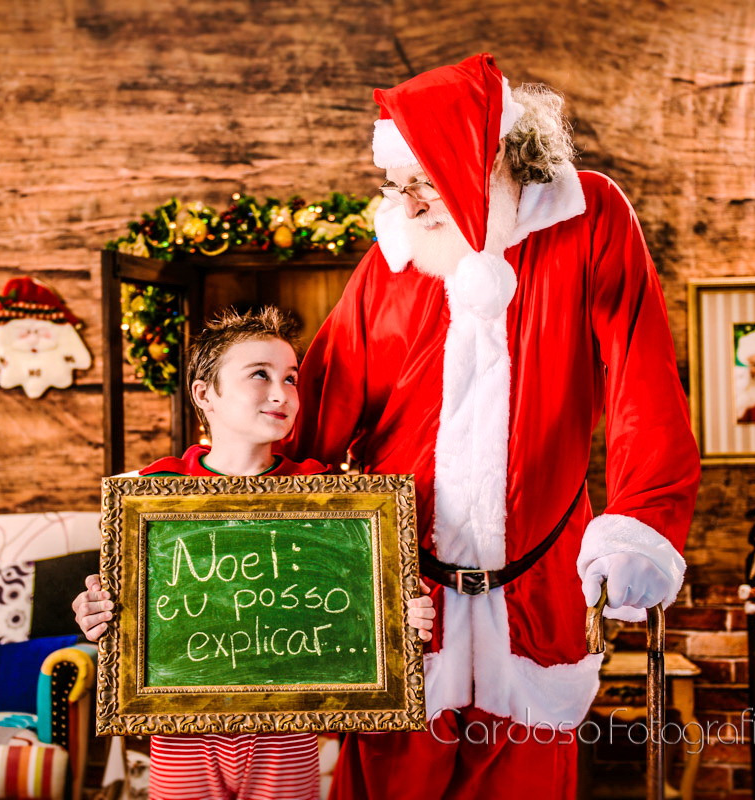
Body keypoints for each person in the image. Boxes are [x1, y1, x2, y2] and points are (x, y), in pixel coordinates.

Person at [282, 54, 701, 799]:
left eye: (423, 180)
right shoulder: (392, 262)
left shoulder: (589, 218)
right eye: (395, 184)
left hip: (537, 596)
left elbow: (643, 380)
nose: (406, 204)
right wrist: (211, 521)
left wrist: (642, 519)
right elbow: (309, 417)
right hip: (406, 603)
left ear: (489, 160)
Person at [73, 306, 436, 800]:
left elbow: (363, 612)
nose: (282, 393)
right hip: (182, 731)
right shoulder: (151, 492)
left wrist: (401, 616)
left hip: (286, 732)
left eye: (290, 378)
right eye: (259, 374)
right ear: (205, 394)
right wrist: (97, 613)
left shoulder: (328, 497)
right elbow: (127, 609)